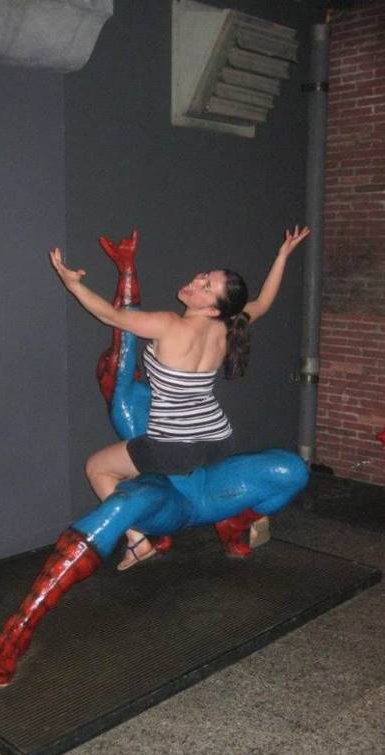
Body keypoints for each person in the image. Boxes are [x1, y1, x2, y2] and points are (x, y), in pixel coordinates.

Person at [50, 225, 309, 570]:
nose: (197, 281)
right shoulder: (228, 326)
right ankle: (162, 526)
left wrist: (73, 285)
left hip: (173, 446)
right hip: (217, 440)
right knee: (144, 474)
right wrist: (282, 255)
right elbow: (263, 301)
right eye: (204, 277)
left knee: (97, 467)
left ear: (214, 308)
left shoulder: (169, 324)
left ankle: (137, 541)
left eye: (207, 287)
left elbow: (111, 315)